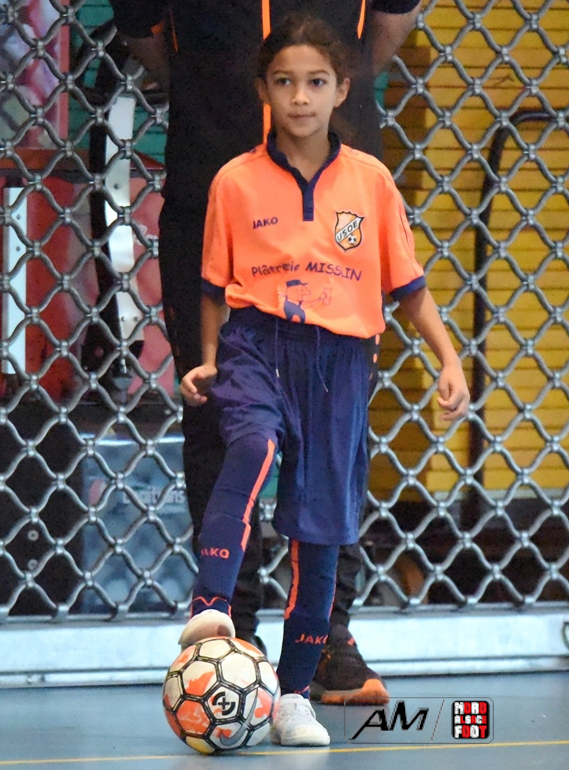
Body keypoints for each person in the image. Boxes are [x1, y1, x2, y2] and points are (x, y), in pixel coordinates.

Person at [108, 0, 423, 704]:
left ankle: (328, 637)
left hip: (335, 206)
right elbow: (143, 32)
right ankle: (231, 633)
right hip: (216, 192)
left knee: (336, 423)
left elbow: (389, 27)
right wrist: (221, 89)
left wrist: (314, 97)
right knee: (218, 412)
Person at [175, 14, 469, 745]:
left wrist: (449, 358)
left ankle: (295, 695)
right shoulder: (234, 181)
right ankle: (211, 606)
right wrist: (208, 356)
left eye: (315, 82)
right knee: (251, 446)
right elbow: (212, 287)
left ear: (343, 90)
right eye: (284, 82)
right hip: (258, 346)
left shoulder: (370, 181)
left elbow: (410, 288)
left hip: (341, 364)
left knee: (321, 529)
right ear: (263, 91)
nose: (300, 97)